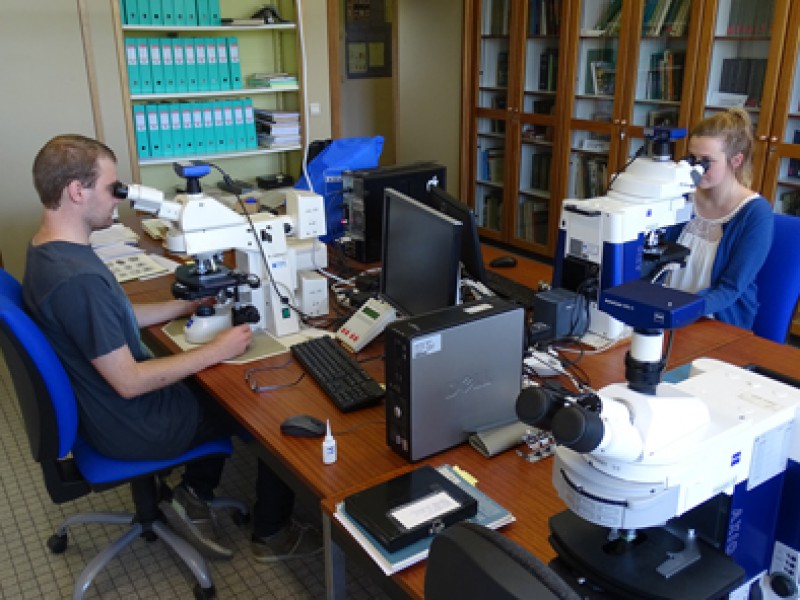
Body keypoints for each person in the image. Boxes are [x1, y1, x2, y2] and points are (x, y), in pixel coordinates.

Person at [23, 134, 320, 562]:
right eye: (113, 188)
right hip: (132, 423)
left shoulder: (50, 253)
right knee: (266, 404)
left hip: (101, 408)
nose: (118, 199)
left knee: (211, 379)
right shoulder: (78, 281)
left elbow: (115, 317)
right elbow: (127, 382)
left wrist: (184, 305)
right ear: (76, 190)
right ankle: (271, 533)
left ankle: (194, 491)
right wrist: (219, 349)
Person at [667, 107, 774, 329]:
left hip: (714, 319)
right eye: (691, 158)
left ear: (736, 161)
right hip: (668, 310)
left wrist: (681, 308)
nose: (696, 168)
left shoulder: (755, 214)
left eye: (706, 161)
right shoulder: (681, 196)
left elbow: (731, 288)